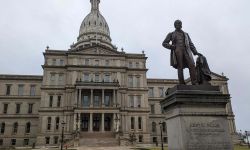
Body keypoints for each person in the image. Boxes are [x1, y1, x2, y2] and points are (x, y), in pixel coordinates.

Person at [162, 20, 201, 85]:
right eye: (178, 24)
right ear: (175, 25)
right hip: (177, 51)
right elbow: (164, 43)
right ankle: (182, 83)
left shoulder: (186, 34)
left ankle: (194, 82)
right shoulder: (171, 34)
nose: (180, 25)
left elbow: (190, 44)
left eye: (180, 24)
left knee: (192, 65)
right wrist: (172, 47)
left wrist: (195, 52)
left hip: (186, 51)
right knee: (180, 66)